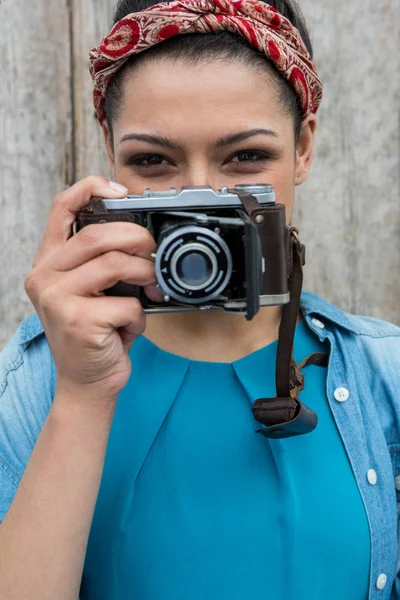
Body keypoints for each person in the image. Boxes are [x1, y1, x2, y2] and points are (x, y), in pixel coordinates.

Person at [0, 0, 399, 598]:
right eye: (153, 161)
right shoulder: (36, 380)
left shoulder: (383, 373)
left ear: (305, 148)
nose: (201, 202)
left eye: (245, 157)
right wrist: (82, 395)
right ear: (110, 152)